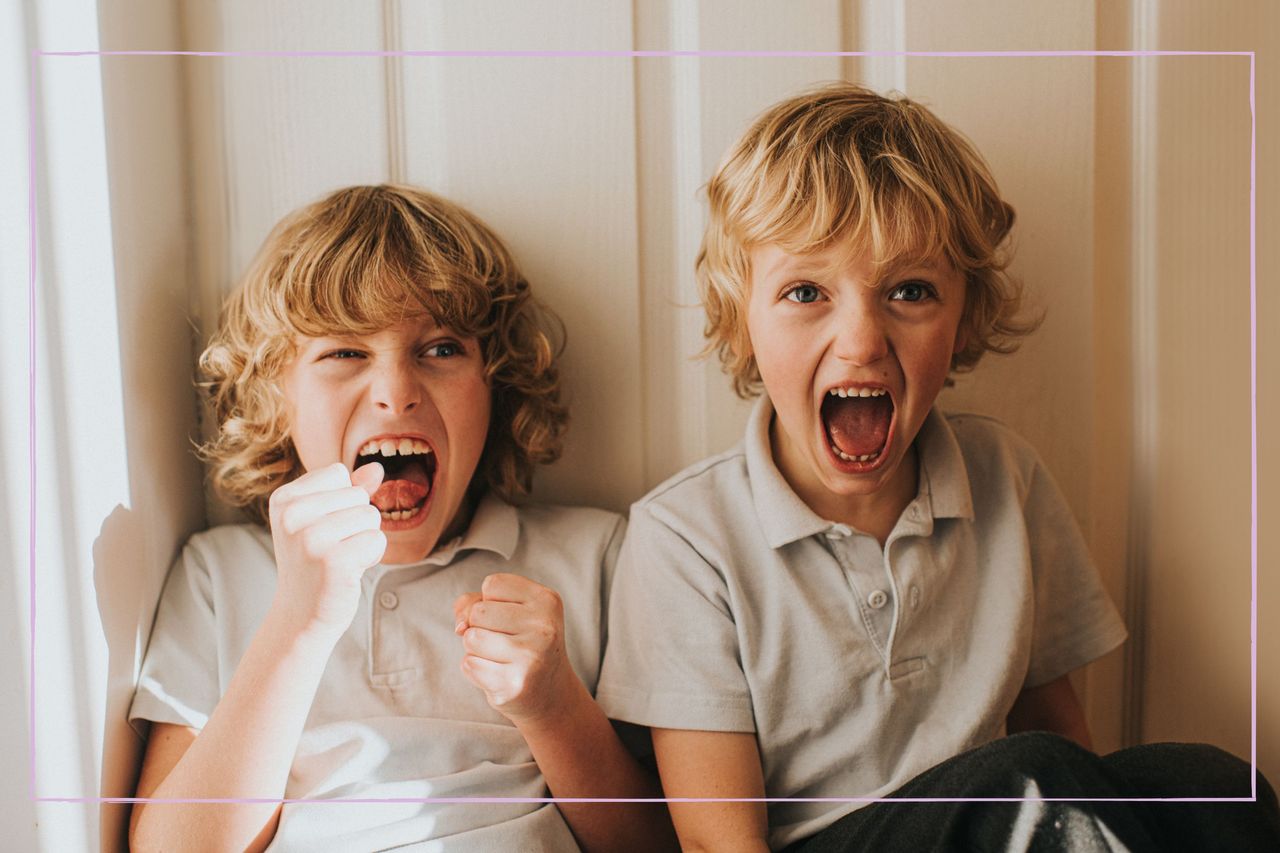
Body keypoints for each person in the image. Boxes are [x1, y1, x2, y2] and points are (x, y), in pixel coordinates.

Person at [595, 83, 1280, 851]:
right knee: (1025, 775)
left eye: (910, 291)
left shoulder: (1005, 477)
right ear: (742, 318)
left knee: (1214, 783)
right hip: (840, 838)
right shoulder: (685, 536)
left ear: (962, 319)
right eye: (806, 291)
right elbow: (719, 842)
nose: (860, 340)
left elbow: (1066, 741)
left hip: (1015, 810)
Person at [128, 184, 675, 852]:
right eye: (345, 353)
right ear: (277, 393)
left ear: (494, 382)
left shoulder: (595, 557)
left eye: (441, 348)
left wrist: (554, 703)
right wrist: (299, 623)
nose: (396, 392)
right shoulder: (218, 575)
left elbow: (652, 842)